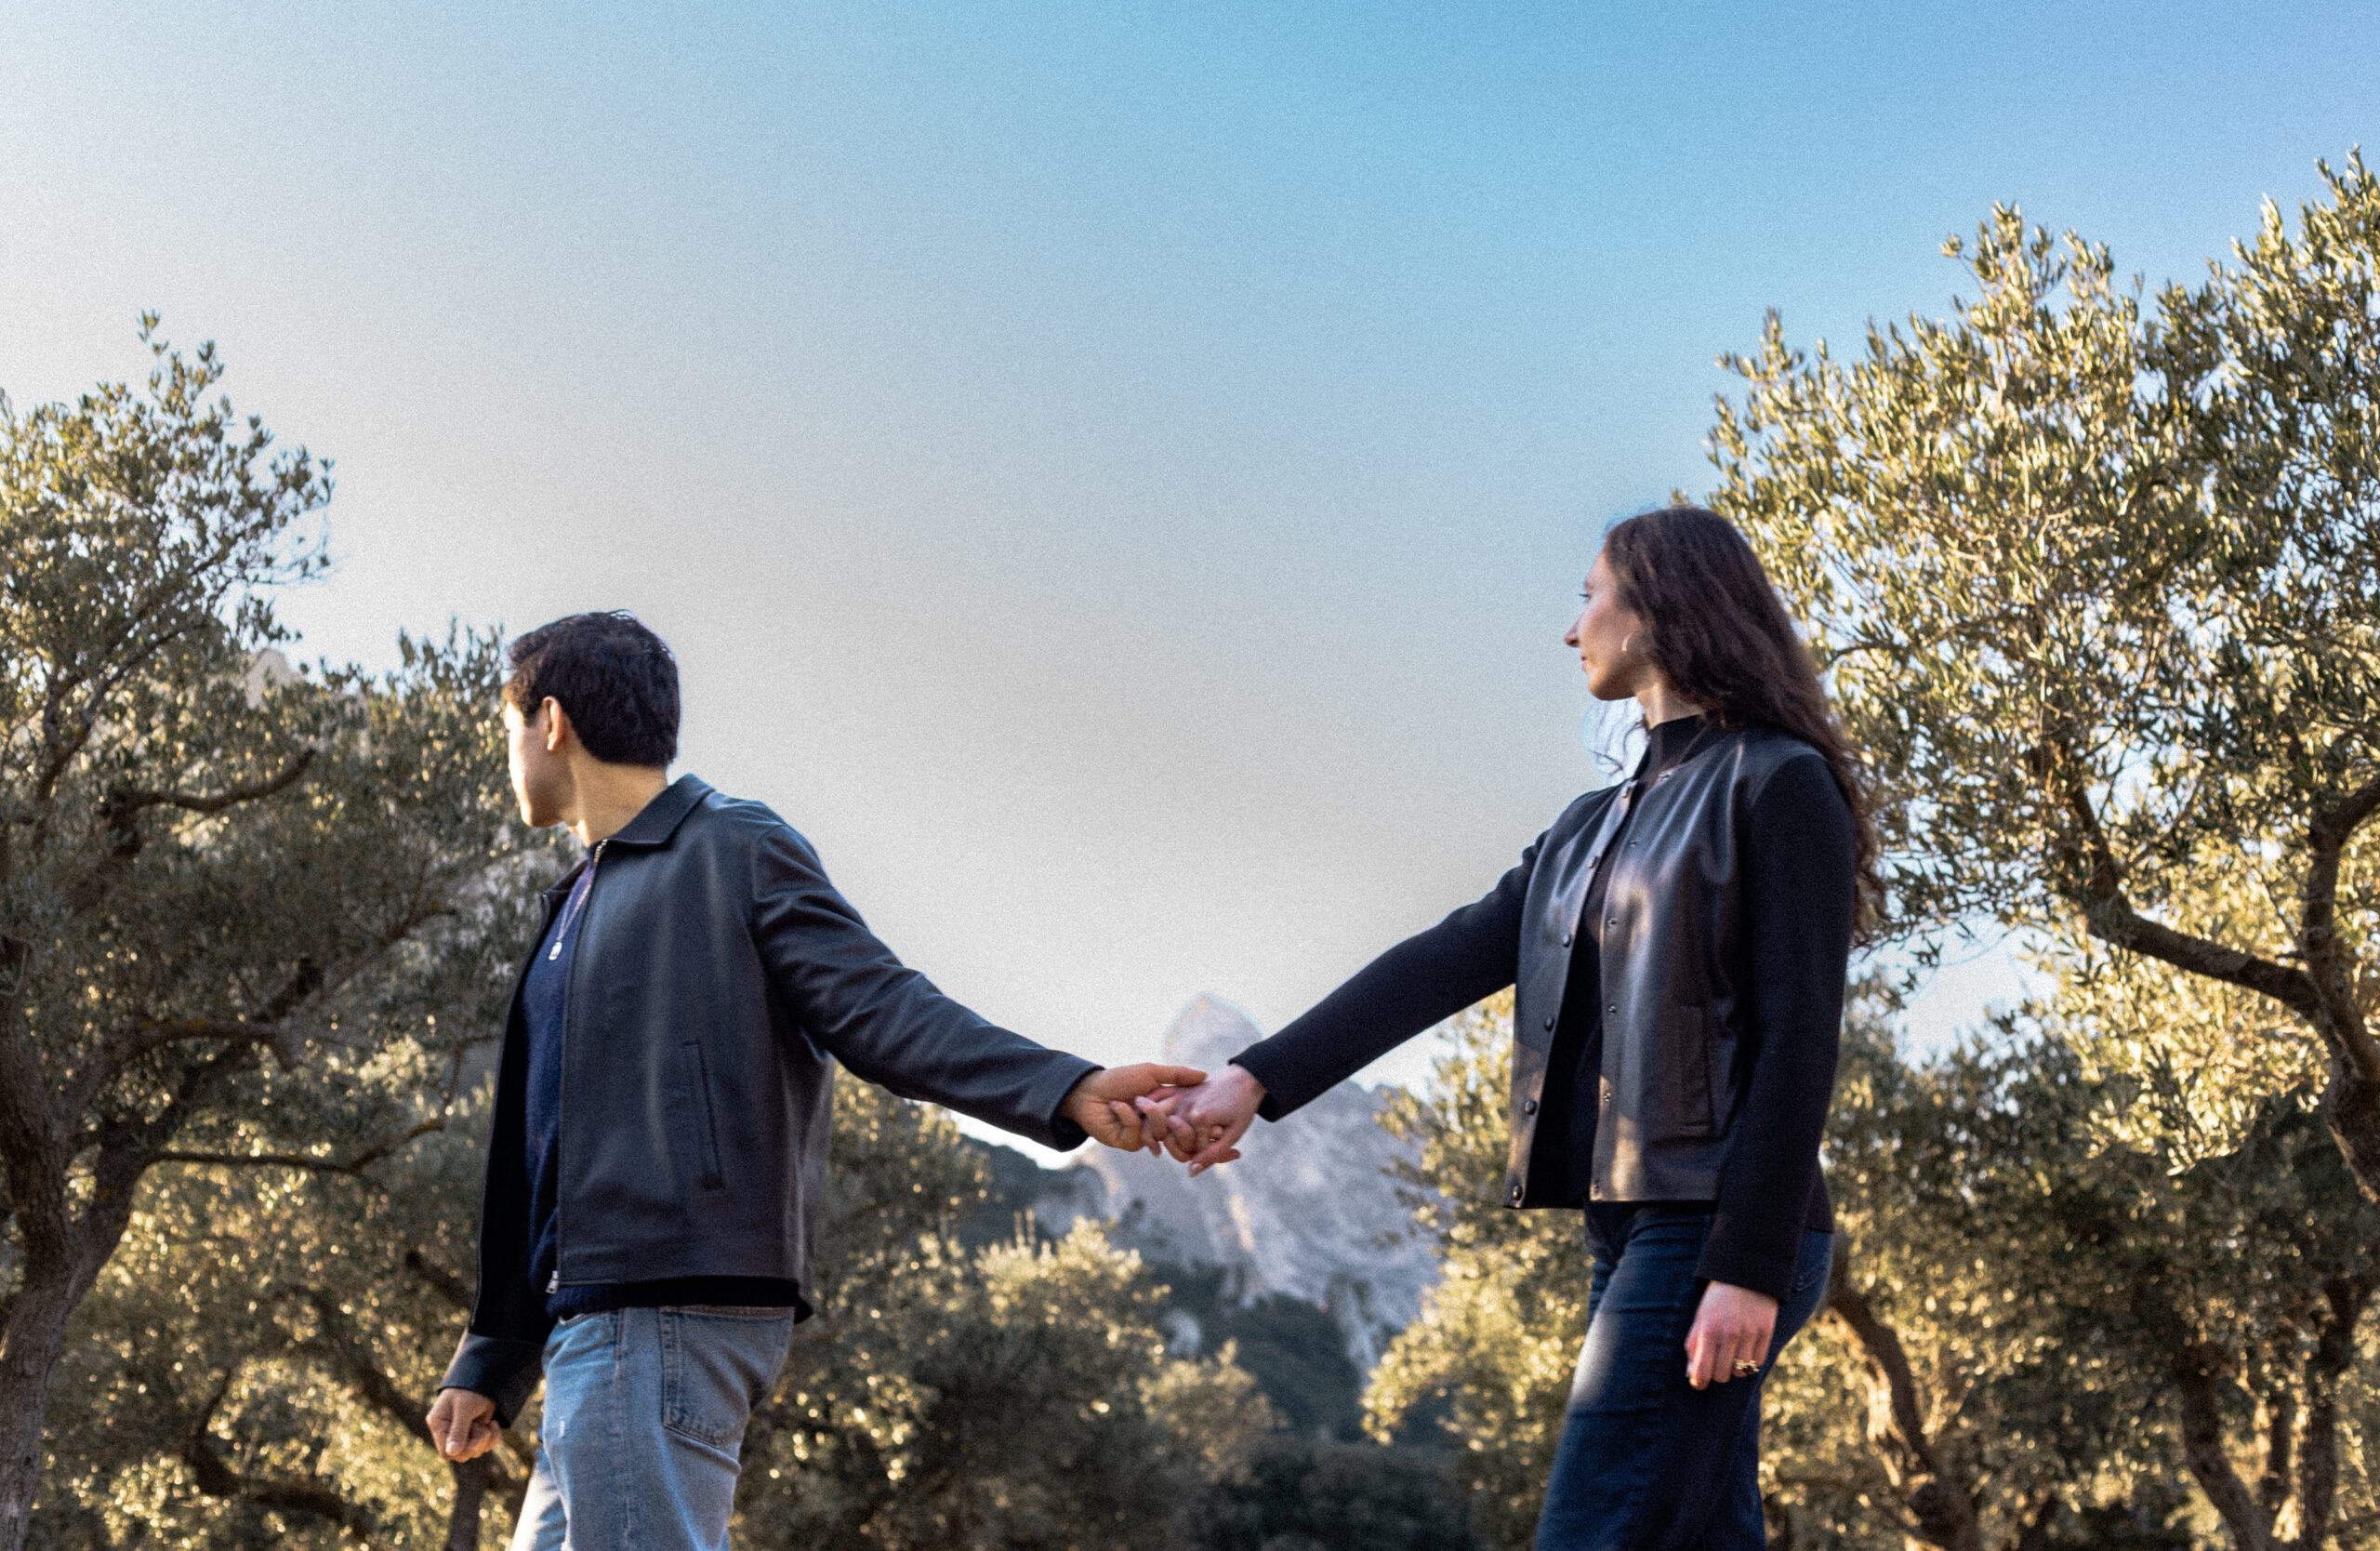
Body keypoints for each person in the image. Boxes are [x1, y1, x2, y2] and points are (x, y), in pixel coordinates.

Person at [1151, 508, 1874, 1549]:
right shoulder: (1590, 827)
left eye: (1589, 595)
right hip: (1625, 1225)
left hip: (1713, 1223)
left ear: (1660, 603)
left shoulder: (1776, 782)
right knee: (1700, 1530)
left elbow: (1801, 1033)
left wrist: (1749, 1263)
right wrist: (1254, 1080)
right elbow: (1441, 960)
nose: (1570, 628)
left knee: (1590, 1528)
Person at [423, 611, 1198, 1551]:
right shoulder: (574, 906)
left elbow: (881, 1008)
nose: (509, 751)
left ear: (552, 721)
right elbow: (535, 1152)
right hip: (597, 1327)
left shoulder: (732, 848)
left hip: (662, 1313)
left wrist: (1060, 1087)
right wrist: (494, 1356)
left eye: (507, 725)